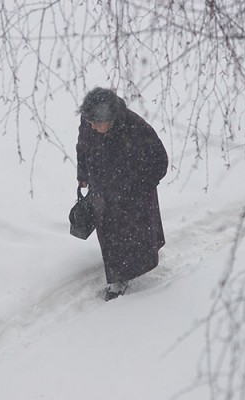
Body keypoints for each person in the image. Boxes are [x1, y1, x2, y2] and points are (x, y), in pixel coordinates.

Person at [76, 87, 169, 301]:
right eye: (89, 122)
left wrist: (140, 187)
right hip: (102, 191)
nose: (91, 126)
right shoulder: (90, 120)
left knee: (132, 236)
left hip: (132, 196)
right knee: (110, 236)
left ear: (111, 118)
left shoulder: (135, 128)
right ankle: (118, 275)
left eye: (96, 123)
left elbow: (160, 160)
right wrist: (83, 173)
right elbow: (83, 145)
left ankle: (122, 277)